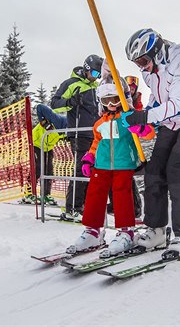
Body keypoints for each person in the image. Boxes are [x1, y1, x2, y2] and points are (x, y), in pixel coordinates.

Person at [121, 28, 180, 256]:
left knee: (175, 170)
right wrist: (147, 117)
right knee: (154, 171)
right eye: (137, 63)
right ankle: (157, 231)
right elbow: (156, 97)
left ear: (156, 52)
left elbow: (178, 104)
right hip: (170, 122)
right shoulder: (148, 71)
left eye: (143, 60)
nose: (141, 67)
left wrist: (145, 117)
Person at [68, 72, 155, 257]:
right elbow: (96, 143)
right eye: (106, 100)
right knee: (94, 194)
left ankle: (126, 232)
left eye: (115, 99)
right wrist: (89, 158)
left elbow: (148, 133)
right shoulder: (99, 123)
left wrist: (139, 127)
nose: (111, 105)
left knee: (122, 195)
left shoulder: (129, 117)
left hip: (124, 164)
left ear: (123, 97)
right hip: (102, 165)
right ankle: (93, 232)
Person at [50, 54, 103, 218]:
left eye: (99, 75)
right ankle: (73, 208)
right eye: (94, 74)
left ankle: (85, 205)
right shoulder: (71, 84)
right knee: (81, 170)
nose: (96, 78)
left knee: (94, 170)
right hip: (79, 134)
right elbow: (54, 104)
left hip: (95, 135)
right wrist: (71, 102)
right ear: (86, 69)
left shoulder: (96, 88)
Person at [105, 75, 144, 218]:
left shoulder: (135, 102)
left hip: (129, 142)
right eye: (130, 87)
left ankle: (135, 207)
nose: (132, 90)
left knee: (126, 175)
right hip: (116, 141)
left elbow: (139, 115)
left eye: (134, 88)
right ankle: (115, 204)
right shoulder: (118, 99)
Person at [22, 111, 65, 205]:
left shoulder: (66, 129)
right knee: (37, 168)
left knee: (49, 170)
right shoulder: (56, 121)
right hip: (36, 143)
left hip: (48, 147)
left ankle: (45, 195)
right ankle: (28, 194)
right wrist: (45, 123)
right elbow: (42, 115)